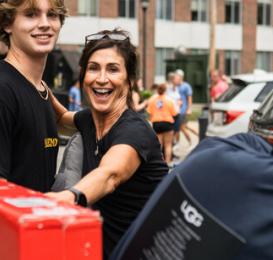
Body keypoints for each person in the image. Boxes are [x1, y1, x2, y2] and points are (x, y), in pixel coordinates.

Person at [46, 29, 168, 259]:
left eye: (113, 69)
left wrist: (67, 198)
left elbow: (109, 175)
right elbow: (62, 118)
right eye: (93, 68)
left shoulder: (134, 131)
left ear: (129, 79)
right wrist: (37, 87)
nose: (101, 79)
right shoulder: (89, 120)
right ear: (83, 77)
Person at [0, 0, 67, 192]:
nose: (45, 23)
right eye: (31, 14)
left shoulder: (40, 89)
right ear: (7, 23)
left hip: (38, 219)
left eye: (52, 14)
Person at [146, 83, 178, 165]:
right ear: (165, 90)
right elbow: (174, 113)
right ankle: (167, 163)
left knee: (159, 145)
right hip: (167, 123)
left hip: (156, 123)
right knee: (168, 145)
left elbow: (149, 112)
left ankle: (159, 163)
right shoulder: (169, 100)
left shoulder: (152, 100)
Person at [173, 69, 197, 145]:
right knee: (183, 127)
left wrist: (189, 109)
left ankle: (190, 143)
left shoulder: (186, 86)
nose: (175, 78)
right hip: (176, 110)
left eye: (176, 77)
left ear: (180, 77)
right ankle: (200, 136)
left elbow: (189, 98)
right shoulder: (174, 86)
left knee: (181, 128)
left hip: (183, 111)